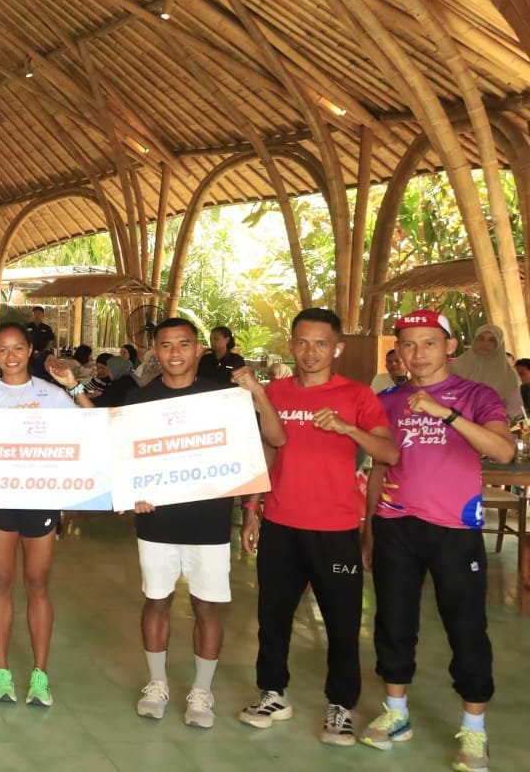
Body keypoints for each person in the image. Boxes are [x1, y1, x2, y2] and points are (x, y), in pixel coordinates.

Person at [361, 310, 514, 771]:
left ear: (449, 346)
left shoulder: (477, 395)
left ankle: (474, 730)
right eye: (408, 344)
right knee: (393, 621)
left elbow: (503, 450)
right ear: (398, 351)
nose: (418, 353)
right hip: (394, 525)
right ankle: (397, 713)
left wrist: (445, 414)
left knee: (466, 628)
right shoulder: (387, 400)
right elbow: (380, 466)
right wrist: (368, 528)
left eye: (429, 342)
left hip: (455, 529)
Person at [237, 308, 397, 747]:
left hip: (335, 529)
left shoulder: (357, 395)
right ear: (292, 345)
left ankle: (340, 706)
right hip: (281, 524)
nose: (311, 352)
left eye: (321, 343)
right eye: (303, 342)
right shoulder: (274, 392)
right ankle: (272, 694)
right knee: (272, 616)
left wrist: (347, 428)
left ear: (337, 348)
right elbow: (268, 453)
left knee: (342, 623)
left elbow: (389, 453)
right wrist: (252, 508)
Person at [129, 318, 284, 730]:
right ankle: (157, 683)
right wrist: (132, 492)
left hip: (209, 520)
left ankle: (202, 690)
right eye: (166, 345)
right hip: (156, 519)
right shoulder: (140, 401)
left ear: (198, 349)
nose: (175, 353)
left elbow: (274, 439)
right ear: (155, 351)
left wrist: (257, 392)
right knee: (156, 600)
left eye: (184, 344)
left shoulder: (225, 399)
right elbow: (124, 458)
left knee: (208, 605)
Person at [0, 324, 92, 708]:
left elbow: (93, 426)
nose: (11, 356)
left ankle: (40, 674)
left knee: (37, 583)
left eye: (18, 348)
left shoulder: (51, 395)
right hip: (1, 502)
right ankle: (2, 671)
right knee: (2, 583)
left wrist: (74, 386)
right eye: (3, 349)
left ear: (30, 349)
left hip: (41, 499)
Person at [450, 323, 524, 418]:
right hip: (454, 421)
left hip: (493, 422)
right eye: (480, 338)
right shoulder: (453, 367)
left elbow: (515, 409)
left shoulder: (507, 374)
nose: (485, 343)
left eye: (492, 340)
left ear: (499, 344)